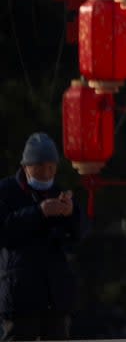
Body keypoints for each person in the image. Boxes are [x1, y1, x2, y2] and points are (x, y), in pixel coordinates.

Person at [0, 132, 81, 341]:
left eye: (52, 167)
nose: (47, 174)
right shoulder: (6, 191)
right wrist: (39, 212)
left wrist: (70, 214)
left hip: (55, 296)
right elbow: (5, 231)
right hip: (21, 295)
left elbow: (77, 235)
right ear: (26, 166)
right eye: (41, 167)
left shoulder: (58, 191)